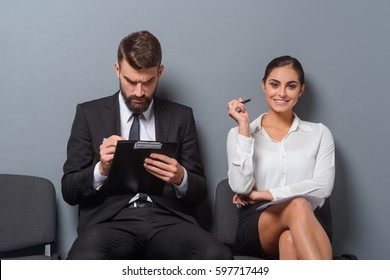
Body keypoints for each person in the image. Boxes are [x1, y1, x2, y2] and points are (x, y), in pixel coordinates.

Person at [62, 30, 232, 260]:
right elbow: (69, 190)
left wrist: (180, 177)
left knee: (217, 256)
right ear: (117, 70)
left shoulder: (181, 116)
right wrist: (100, 169)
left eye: (148, 82)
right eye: (130, 81)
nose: (139, 92)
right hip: (109, 222)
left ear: (160, 72)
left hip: (169, 220)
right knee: (83, 261)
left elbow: (199, 191)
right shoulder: (88, 114)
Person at [226, 55, 335, 260]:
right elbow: (241, 187)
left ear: (301, 90)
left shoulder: (320, 134)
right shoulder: (239, 135)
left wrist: (264, 193)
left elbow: (323, 187)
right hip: (259, 224)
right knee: (298, 204)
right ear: (264, 85)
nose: (282, 93)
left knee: (289, 239)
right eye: (274, 84)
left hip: (310, 224)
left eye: (291, 86)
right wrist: (243, 128)